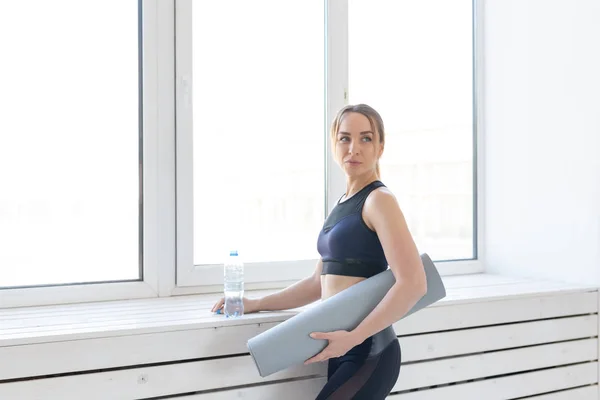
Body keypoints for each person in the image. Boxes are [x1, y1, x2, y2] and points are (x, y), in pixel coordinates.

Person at [211, 104, 427, 399]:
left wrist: (354, 338)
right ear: (333, 145)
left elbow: (414, 283)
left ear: (380, 147)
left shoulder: (380, 200)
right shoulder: (342, 205)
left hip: (370, 349)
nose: (354, 148)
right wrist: (255, 303)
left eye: (365, 138)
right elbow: (317, 283)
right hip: (339, 348)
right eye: (344, 138)